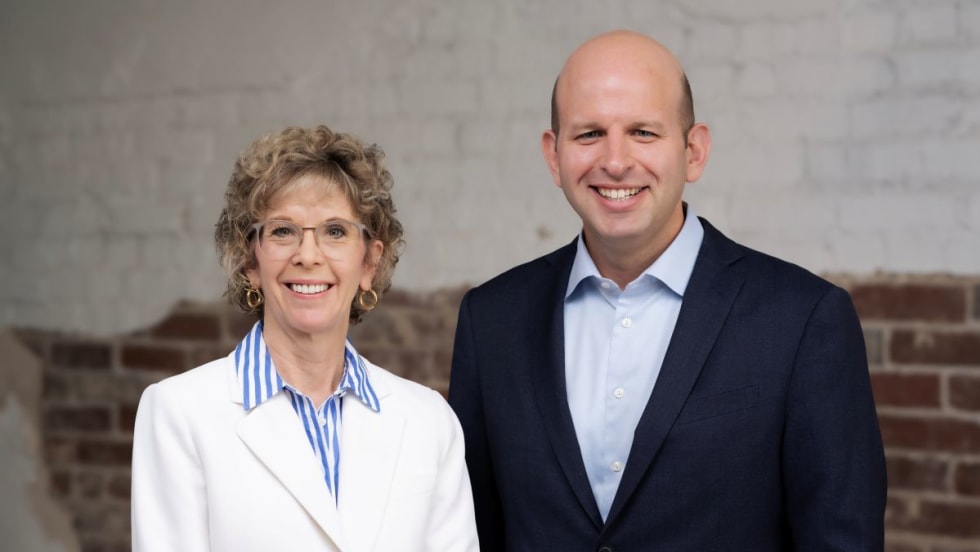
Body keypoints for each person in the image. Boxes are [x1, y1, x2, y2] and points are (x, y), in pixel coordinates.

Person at [449, 30, 886, 550]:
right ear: (554, 155)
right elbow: (471, 532)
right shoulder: (491, 320)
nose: (615, 161)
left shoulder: (803, 320)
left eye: (643, 132)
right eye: (589, 134)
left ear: (694, 151)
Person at [132, 125, 479, 552]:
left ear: (369, 262)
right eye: (282, 231)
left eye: (335, 231)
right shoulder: (177, 414)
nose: (308, 255)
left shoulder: (430, 421)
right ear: (249, 261)